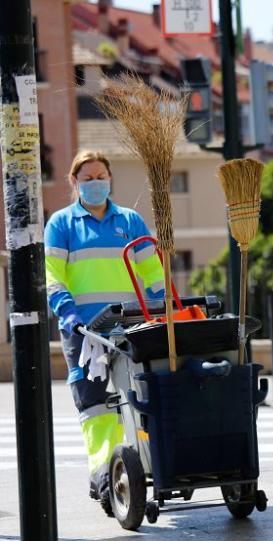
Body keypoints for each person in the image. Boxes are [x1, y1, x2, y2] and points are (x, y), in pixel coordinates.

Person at [44, 150, 166, 514]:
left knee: (139, 398)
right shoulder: (62, 224)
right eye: (88, 178)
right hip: (82, 330)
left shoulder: (129, 221)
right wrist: (65, 311)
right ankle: (103, 477)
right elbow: (53, 274)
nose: (95, 183)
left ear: (110, 179)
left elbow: (152, 271)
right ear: (74, 182)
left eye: (101, 176)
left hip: (130, 326)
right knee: (95, 407)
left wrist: (164, 304)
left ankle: (140, 466)